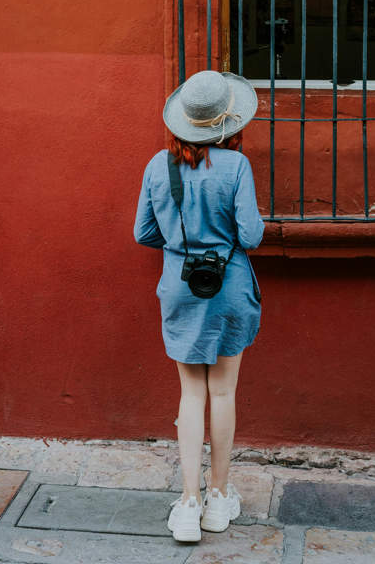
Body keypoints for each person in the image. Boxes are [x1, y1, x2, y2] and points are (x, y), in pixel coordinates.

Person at [133, 70, 265, 544]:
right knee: (224, 393)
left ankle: (187, 504)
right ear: (228, 123)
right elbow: (250, 235)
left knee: (191, 395)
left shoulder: (156, 166)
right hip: (228, 284)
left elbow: (142, 233)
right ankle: (218, 496)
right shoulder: (236, 167)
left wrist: (179, 243)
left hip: (180, 285)